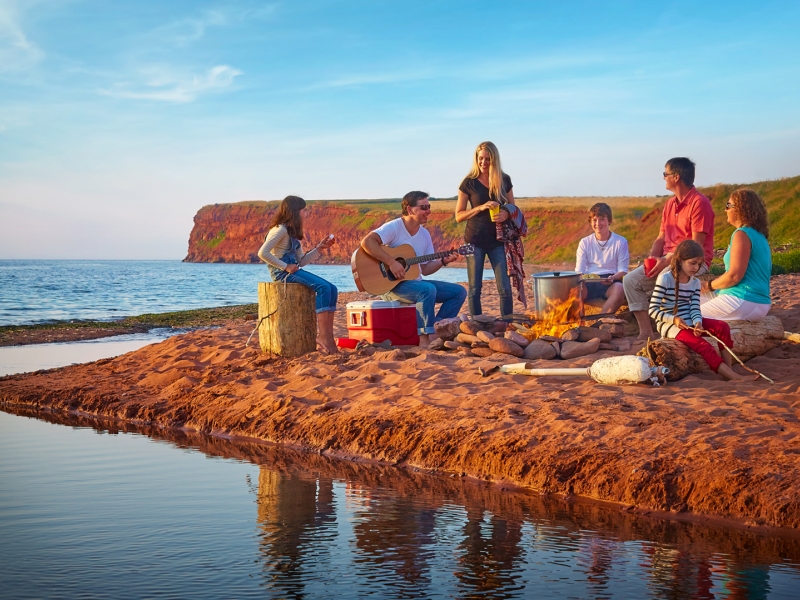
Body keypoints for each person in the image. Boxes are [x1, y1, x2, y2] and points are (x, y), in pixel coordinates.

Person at [623, 157, 715, 340]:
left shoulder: (699, 203)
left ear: (676, 177)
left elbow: (695, 246)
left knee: (667, 276)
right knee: (630, 280)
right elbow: (660, 238)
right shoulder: (670, 204)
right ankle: (646, 331)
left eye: (665, 174)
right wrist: (652, 261)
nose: (663, 177)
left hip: (693, 261)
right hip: (668, 258)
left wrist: (666, 260)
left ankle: (677, 329)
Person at [360, 191, 468, 348]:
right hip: (390, 286)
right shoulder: (395, 227)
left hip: (415, 284)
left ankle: (437, 329)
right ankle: (424, 340)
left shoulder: (424, 235)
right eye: (424, 207)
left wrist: (443, 261)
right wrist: (391, 262)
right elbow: (367, 242)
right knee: (427, 289)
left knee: (459, 292)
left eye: (429, 207)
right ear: (410, 210)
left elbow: (425, 269)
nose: (428, 211)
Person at [649, 240, 756, 381]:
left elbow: (694, 307)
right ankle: (734, 377)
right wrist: (673, 319)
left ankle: (728, 370)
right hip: (670, 325)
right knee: (703, 346)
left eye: (699, 264)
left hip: (689, 321)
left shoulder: (695, 283)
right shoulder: (665, 279)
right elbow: (652, 310)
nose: (696, 267)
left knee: (722, 327)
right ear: (680, 260)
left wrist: (698, 322)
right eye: (692, 263)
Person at [257, 195, 339, 354]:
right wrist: (285, 266)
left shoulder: (292, 232)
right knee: (323, 288)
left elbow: (301, 261)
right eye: (304, 210)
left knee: (332, 288)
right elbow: (263, 252)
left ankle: (328, 336)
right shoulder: (280, 230)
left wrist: (319, 249)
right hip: (281, 274)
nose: (306, 214)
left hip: (291, 270)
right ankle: (323, 336)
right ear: (295, 212)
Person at [455, 141, 515, 318]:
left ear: (494, 159)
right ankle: (477, 325)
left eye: (488, 159)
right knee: (474, 288)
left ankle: (507, 324)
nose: (483, 163)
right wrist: (479, 208)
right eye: (480, 158)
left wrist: (505, 213)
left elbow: (513, 207)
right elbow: (458, 216)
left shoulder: (504, 179)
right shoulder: (468, 183)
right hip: (475, 240)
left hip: (498, 240)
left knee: (504, 287)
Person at [700, 189, 772, 321]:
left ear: (740, 209)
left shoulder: (742, 235)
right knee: (686, 301)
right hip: (754, 301)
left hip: (745, 299)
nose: (725, 210)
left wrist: (708, 285)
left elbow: (734, 276)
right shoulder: (758, 235)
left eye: (728, 205)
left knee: (684, 317)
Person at [575, 202, 630, 315]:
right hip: (589, 280)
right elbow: (579, 271)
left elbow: (623, 270)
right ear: (591, 222)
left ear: (609, 220)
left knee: (619, 289)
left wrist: (613, 278)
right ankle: (580, 325)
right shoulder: (584, 242)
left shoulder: (620, 241)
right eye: (594, 220)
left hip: (610, 280)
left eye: (602, 219)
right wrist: (583, 280)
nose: (598, 223)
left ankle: (601, 319)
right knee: (575, 289)